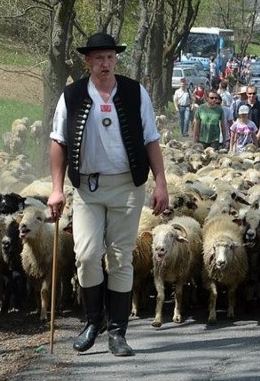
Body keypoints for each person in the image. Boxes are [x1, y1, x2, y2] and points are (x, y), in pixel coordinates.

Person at [47, 32, 170, 357]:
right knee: (86, 256)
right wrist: (57, 189)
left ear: (116, 59)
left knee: (120, 257)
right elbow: (58, 141)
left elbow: (150, 139)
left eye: (110, 57)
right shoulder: (71, 96)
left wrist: (161, 182)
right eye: (98, 58)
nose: (105, 63)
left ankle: (117, 331)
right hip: (87, 187)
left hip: (127, 186)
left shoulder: (134, 92)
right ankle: (92, 321)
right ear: (87, 61)